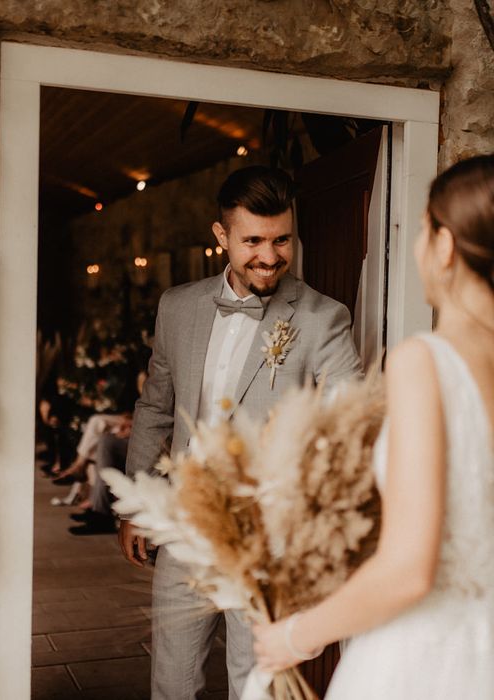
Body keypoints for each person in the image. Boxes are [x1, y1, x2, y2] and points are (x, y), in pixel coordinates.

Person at [252, 154, 494, 699]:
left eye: (422, 231)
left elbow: (410, 570)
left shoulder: (426, 361)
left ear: (446, 246)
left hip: (435, 657)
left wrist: (296, 634)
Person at [122, 165, 363, 699]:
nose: (269, 256)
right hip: (185, 525)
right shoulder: (177, 307)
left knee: (255, 684)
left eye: (281, 240)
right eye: (252, 240)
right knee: (171, 680)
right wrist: (135, 504)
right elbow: (156, 406)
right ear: (221, 236)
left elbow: (349, 426)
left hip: (268, 543)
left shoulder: (325, 320)